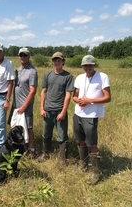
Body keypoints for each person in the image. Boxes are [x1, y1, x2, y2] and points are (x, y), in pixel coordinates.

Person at [73, 55, 111, 184]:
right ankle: (83, 165)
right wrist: (77, 100)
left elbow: (108, 97)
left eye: (90, 65)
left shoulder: (103, 77)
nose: (88, 68)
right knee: (80, 141)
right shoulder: (79, 78)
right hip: (78, 113)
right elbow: (75, 95)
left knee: (92, 144)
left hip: (91, 115)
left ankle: (96, 173)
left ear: (94, 65)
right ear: (82, 66)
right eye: (85, 65)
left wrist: (90, 100)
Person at [38, 52, 74, 166]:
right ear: (52, 62)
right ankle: (45, 154)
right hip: (47, 110)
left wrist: (63, 112)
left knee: (62, 136)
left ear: (63, 62)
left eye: (59, 60)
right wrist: (41, 108)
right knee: (46, 134)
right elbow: (43, 91)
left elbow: (68, 95)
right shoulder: (48, 75)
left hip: (59, 111)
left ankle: (62, 159)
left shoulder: (68, 76)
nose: (57, 62)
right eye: (55, 60)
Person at [8, 47, 38, 158]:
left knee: (28, 127)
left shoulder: (32, 71)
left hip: (26, 106)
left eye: (25, 55)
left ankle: (31, 150)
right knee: (16, 127)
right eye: (21, 55)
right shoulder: (18, 70)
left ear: (29, 56)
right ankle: (19, 148)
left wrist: (24, 106)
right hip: (16, 105)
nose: (22, 57)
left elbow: (33, 91)